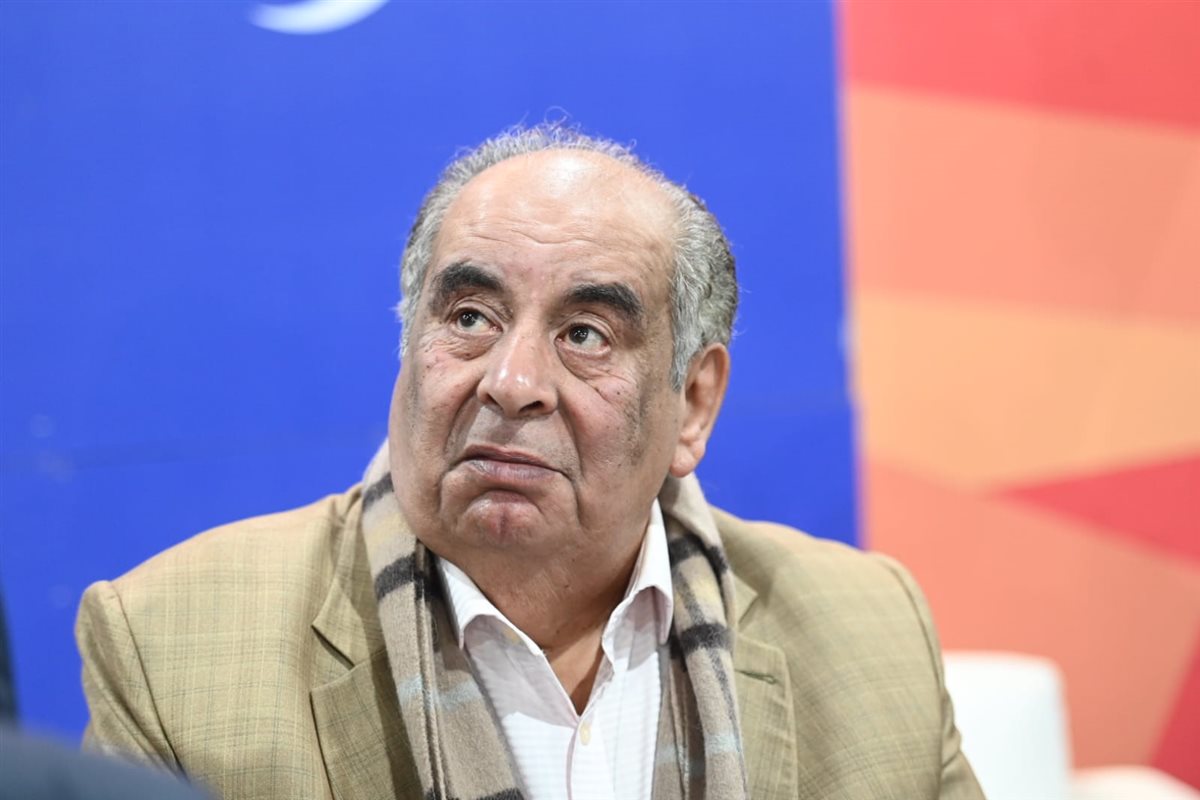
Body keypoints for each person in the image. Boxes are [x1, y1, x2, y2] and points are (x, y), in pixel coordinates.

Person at [76, 125, 983, 799]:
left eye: (585, 334)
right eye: (470, 318)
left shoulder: (868, 635)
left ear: (693, 403)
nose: (511, 384)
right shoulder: (174, 647)